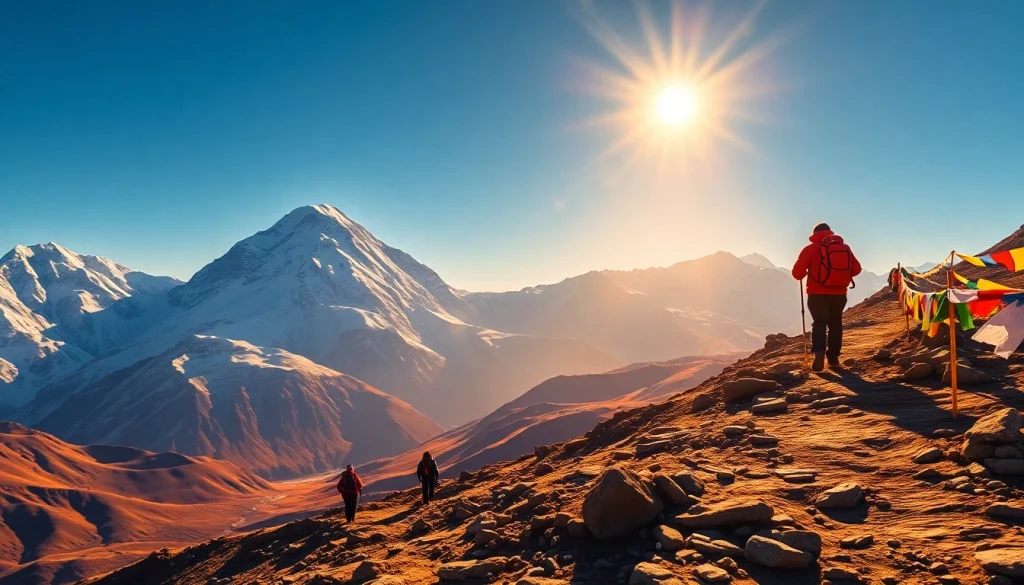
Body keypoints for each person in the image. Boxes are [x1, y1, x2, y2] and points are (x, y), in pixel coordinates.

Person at [791, 222, 862, 371]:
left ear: (814, 233)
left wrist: (808, 272)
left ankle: (818, 355)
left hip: (817, 294)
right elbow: (856, 269)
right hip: (839, 293)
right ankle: (834, 359)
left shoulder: (810, 249)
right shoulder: (844, 248)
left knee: (819, 323)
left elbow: (797, 273)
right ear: (830, 232)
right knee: (835, 324)